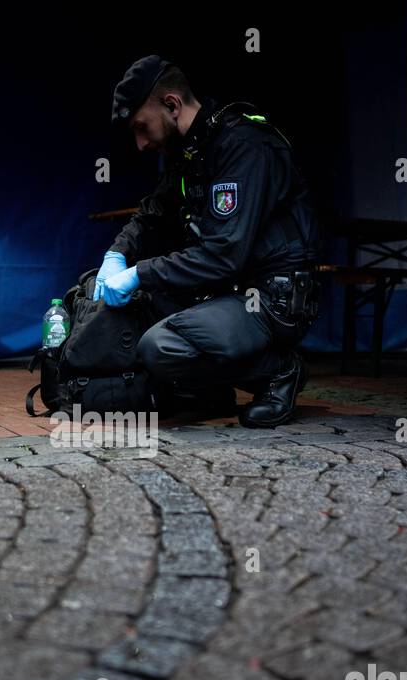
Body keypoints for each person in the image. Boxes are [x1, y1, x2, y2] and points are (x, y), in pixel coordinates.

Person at [95, 56, 322, 426]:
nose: (139, 144)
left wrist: (139, 272)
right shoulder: (192, 150)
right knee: (141, 306)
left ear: (171, 105)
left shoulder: (243, 145)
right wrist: (116, 254)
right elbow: (152, 211)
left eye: (141, 127)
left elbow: (222, 255)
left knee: (160, 347)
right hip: (231, 288)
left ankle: (278, 371)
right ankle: (208, 390)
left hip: (271, 298)